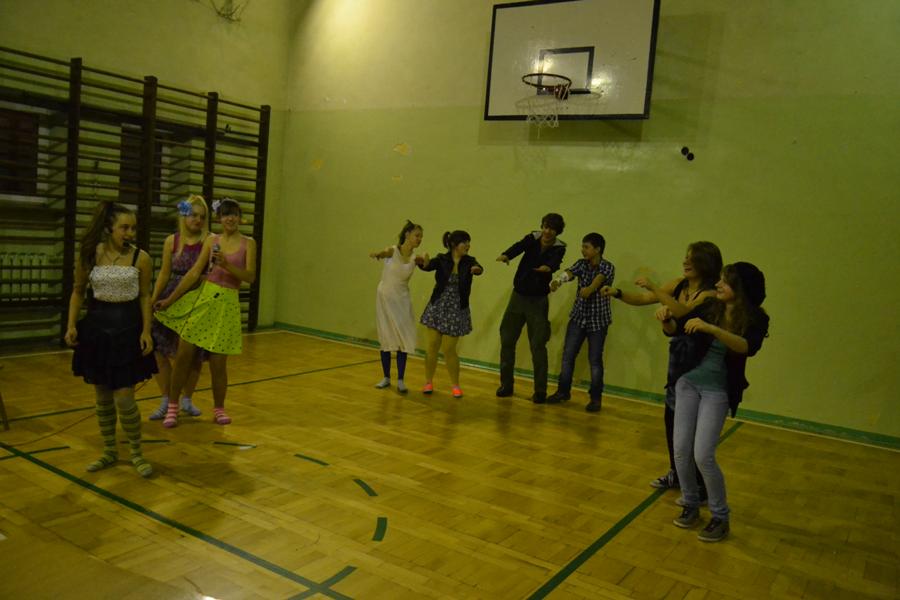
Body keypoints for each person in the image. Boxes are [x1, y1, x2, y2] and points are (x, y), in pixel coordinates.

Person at [601, 241, 722, 499]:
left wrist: (656, 288)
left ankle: (699, 485)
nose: (685, 262)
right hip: (678, 361)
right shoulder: (678, 285)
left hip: (700, 366)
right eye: (685, 257)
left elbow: (685, 313)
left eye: (692, 258)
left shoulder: (710, 294)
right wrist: (618, 292)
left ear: (705, 263)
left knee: (692, 430)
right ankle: (677, 474)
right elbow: (644, 299)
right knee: (672, 420)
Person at [666, 262, 769, 542]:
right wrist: (667, 321)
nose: (718, 284)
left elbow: (747, 347)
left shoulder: (756, 319)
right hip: (688, 384)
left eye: (725, 281)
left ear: (740, 288)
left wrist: (713, 330)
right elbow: (678, 327)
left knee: (703, 455)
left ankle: (720, 517)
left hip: (717, 391)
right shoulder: (710, 306)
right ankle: (690, 503)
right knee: (681, 451)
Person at [64, 201, 156, 477]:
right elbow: (78, 291)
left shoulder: (141, 258)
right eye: (124, 227)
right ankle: (109, 451)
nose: (130, 233)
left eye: (133, 228)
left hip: (127, 330)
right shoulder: (91, 254)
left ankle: (136, 452)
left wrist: (146, 331)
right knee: (102, 396)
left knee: (125, 398)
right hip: (97, 331)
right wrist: (71, 325)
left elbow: (145, 296)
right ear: (109, 228)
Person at [154, 198, 257, 427]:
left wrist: (227, 265)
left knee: (218, 364)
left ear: (240, 218)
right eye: (226, 214)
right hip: (204, 299)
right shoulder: (212, 240)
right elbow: (193, 273)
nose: (230, 218)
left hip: (227, 304)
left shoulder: (249, 243)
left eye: (234, 214)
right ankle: (173, 407)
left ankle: (219, 409)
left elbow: (250, 277)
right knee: (184, 354)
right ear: (219, 218)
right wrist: (169, 300)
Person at [148, 195, 209, 420]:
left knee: (193, 353)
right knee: (158, 347)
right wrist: (154, 298)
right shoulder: (171, 241)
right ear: (183, 216)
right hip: (170, 297)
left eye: (202, 217)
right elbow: (164, 273)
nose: (198, 220)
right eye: (193, 215)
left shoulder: (209, 241)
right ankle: (166, 397)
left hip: (197, 300)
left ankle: (186, 399)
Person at [496, 214, 567, 403]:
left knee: (538, 345)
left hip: (538, 301)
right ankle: (506, 385)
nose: (547, 231)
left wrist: (548, 268)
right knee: (507, 340)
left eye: (552, 229)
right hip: (518, 297)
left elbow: (555, 263)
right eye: (545, 227)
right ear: (542, 226)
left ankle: (540, 391)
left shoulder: (559, 247)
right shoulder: (532, 238)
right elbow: (518, 247)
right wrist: (506, 255)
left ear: (557, 231)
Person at [546, 233, 615, 412]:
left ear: (597, 249)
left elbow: (599, 280)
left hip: (598, 321)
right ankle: (563, 392)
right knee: (568, 356)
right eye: (582, 246)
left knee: (595, 360)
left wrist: (590, 288)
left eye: (586, 247)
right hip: (578, 317)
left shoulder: (607, 266)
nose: (583, 250)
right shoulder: (581, 263)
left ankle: (595, 399)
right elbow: (570, 272)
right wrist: (558, 281)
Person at [418, 230, 483, 398]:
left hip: (457, 309)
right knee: (432, 345)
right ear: (454, 245)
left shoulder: (469, 261)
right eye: (464, 242)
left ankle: (455, 385)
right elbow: (427, 266)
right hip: (438, 306)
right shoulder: (442, 259)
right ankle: (428, 382)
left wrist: (477, 269)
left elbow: (479, 268)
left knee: (449, 349)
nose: (468, 245)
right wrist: (423, 260)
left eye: (468, 242)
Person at [369, 220, 425, 393]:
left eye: (421, 237)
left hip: (402, 300)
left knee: (403, 338)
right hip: (385, 298)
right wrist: (378, 254)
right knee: (386, 336)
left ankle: (401, 379)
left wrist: (427, 258)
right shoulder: (393, 250)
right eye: (417, 235)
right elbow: (385, 252)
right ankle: (386, 377)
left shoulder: (416, 258)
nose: (419, 239)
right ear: (407, 235)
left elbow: (427, 264)